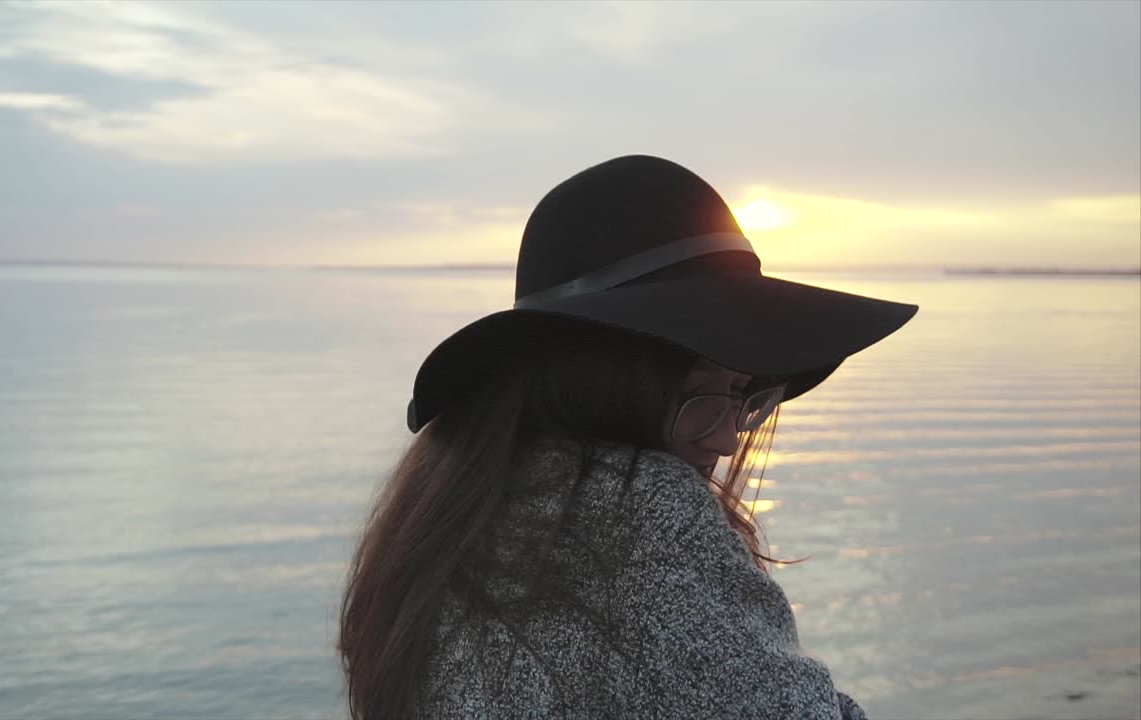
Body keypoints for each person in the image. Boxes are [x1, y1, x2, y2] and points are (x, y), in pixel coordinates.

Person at [337, 155, 919, 719]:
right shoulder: (641, 509)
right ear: (609, 384)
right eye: (700, 393)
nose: (723, 440)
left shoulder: (452, 514)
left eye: (742, 395)